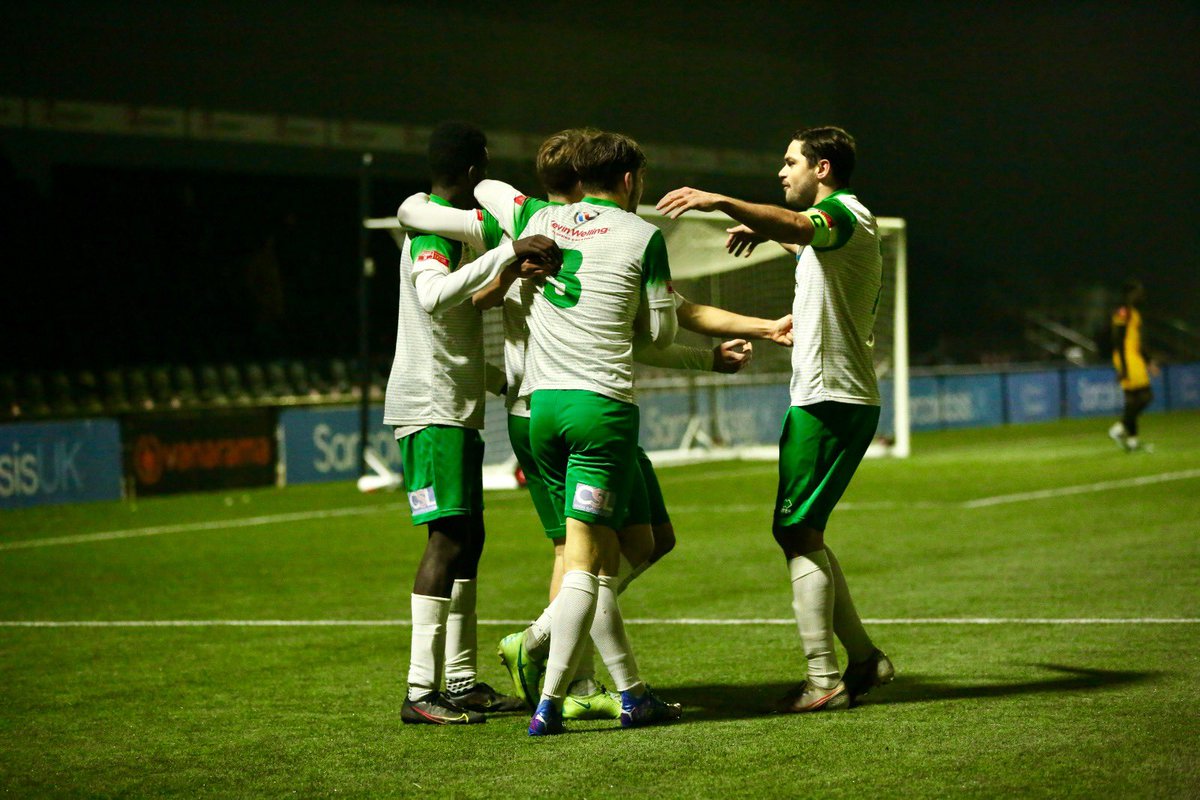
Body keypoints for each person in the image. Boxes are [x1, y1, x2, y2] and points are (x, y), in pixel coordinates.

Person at [398, 129, 792, 723]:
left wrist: (753, 331)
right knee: (584, 558)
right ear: (626, 180)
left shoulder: (530, 222)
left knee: (647, 540)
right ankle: (573, 688)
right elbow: (658, 330)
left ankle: (537, 652)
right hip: (575, 408)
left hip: (556, 409)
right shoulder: (569, 232)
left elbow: (467, 197)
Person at [657, 125, 894, 712]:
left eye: (790, 163)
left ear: (824, 169)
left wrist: (722, 201)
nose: (781, 172)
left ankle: (825, 679)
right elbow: (801, 239)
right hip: (824, 396)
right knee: (801, 530)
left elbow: (802, 227)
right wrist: (764, 232)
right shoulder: (831, 231)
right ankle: (864, 661)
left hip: (833, 400)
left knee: (794, 532)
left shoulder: (847, 214)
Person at [385, 121, 561, 725]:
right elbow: (434, 298)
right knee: (447, 538)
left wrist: (506, 272)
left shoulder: (437, 223)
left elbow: (465, 314)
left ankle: (459, 680)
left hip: (454, 405)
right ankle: (419, 690)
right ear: (471, 171)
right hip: (431, 408)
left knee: (470, 539)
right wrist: (507, 251)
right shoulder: (430, 233)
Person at [1109, 279, 1154, 452]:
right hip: (1127, 358)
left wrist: (1148, 361)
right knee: (1146, 396)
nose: (1141, 295)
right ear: (1130, 293)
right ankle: (1119, 428)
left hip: (1133, 356)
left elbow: (1137, 342)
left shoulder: (1134, 313)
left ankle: (1133, 442)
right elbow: (1118, 339)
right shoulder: (1123, 311)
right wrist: (1124, 367)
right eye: (1138, 292)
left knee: (1132, 400)